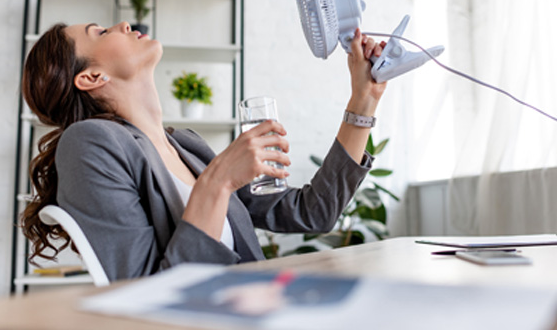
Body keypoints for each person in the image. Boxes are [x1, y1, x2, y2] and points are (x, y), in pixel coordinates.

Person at [21, 21, 387, 281]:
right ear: (91, 77)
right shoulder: (88, 142)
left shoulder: (187, 146)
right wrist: (220, 179)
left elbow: (312, 214)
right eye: (99, 33)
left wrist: (363, 98)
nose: (121, 24)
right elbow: (140, 296)